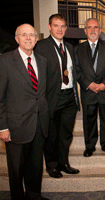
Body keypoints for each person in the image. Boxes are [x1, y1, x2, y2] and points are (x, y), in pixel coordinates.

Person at [0, 24, 49, 200]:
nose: (28, 38)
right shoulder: (5, 61)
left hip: (38, 123)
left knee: (35, 166)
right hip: (15, 126)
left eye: (31, 35)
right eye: (24, 35)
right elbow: (0, 98)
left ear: (36, 39)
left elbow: (42, 94)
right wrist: (2, 127)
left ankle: (34, 195)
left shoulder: (42, 61)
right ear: (17, 38)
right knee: (16, 169)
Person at [35, 14, 80, 179]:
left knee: (66, 134)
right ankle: (52, 166)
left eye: (62, 26)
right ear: (49, 27)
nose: (59, 29)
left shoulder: (69, 47)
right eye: (56, 25)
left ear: (66, 28)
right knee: (51, 135)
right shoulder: (41, 47)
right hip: (52, 97)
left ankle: (64, 163)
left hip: (69, 97)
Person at [75, 18, 105, 157]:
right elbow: (76, 70)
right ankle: (90, 146)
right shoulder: (78, 49)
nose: (92, 30)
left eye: (95, 27)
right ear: (85, 30)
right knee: (89, 121)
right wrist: (88, 84)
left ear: (100, 30)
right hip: (88, 92)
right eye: (89, 27)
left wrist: (104, 84)